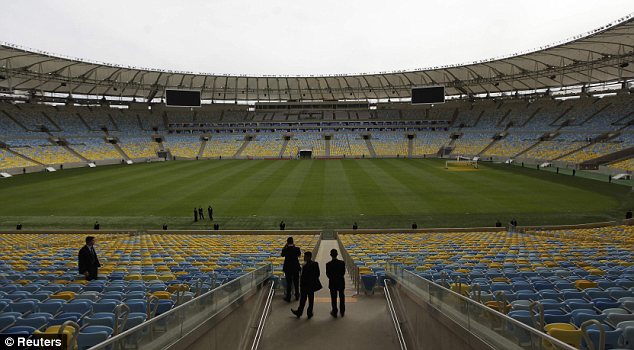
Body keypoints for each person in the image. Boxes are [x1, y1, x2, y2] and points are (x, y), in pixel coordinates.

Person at [292, 251, 321, 319]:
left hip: (305, 285)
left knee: (303, 300)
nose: (304, 257)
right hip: (311, 285)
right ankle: (309, 313)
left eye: (305, 256)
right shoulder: (315, 264)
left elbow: (303, 276)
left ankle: (299, 312)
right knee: (311, 300)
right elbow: (318, 274)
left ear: (308, 257)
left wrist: (301, 285)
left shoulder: (304, 266)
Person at [326, 249, 346, 318]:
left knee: (333, 298)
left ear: (330, 255)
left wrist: (333, 278)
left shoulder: (328, 264)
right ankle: (342, 311)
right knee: (342, 297)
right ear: (337, 254)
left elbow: (328, 274)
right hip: (340, 282)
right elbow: (343, 273)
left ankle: (334, 311)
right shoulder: (342, 263)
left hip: (332, 283)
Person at [281, 237, 301, 302]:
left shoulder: (285, 249)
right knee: (296, 282)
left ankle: (288, 297)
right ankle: (297, 296)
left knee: (289, 283)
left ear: (287, 242)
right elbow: (299, 255)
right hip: (295, 267)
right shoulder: (297, 249)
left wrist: (285, 247)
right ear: (293, 242)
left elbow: (282, 255)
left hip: (288, 268)